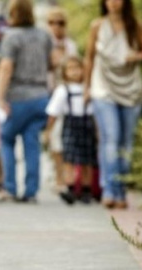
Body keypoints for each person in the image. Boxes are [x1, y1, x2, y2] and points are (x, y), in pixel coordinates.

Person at [85, 0, 142, 209]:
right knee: (111, 138)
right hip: (103, 89)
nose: (113, 3)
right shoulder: (97, 26)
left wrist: (134, 56)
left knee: (125, 144)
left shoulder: (134, 26)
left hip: (130, 90)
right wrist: (86, 87)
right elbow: (89, 58)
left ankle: (121, 191)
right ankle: (109, 189)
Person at [0, 0, 53, 203]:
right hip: (40, 95)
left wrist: (0, 97)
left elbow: (5, 67)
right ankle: (31, 190)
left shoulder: (11, 37)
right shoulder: (44, 35)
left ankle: (9, 187)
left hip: (18, 96)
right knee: (32, 143)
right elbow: (52, 64)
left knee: (6, 139)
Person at [46, 57, 97, 205]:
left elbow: (95, 113)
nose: (74, 72)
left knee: (87, 161)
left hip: (87, 125)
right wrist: (48, 130)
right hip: (70, 125)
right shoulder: (62, 91)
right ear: (64, 73)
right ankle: (71, 188)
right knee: (69, 160)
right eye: (70, 69)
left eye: (77, 68)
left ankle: (87, 189)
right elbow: (53, 112)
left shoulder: (89, 89)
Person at [44, 7, 79, 193]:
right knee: (54, 137)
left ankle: (66, 176)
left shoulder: (70, 45)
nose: (56, 27)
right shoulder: (44, 43)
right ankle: (58, 174)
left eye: (60, 23)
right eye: (52, 22)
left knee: (66, 137)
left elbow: (74, 67)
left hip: (68, 96)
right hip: (49, 93)